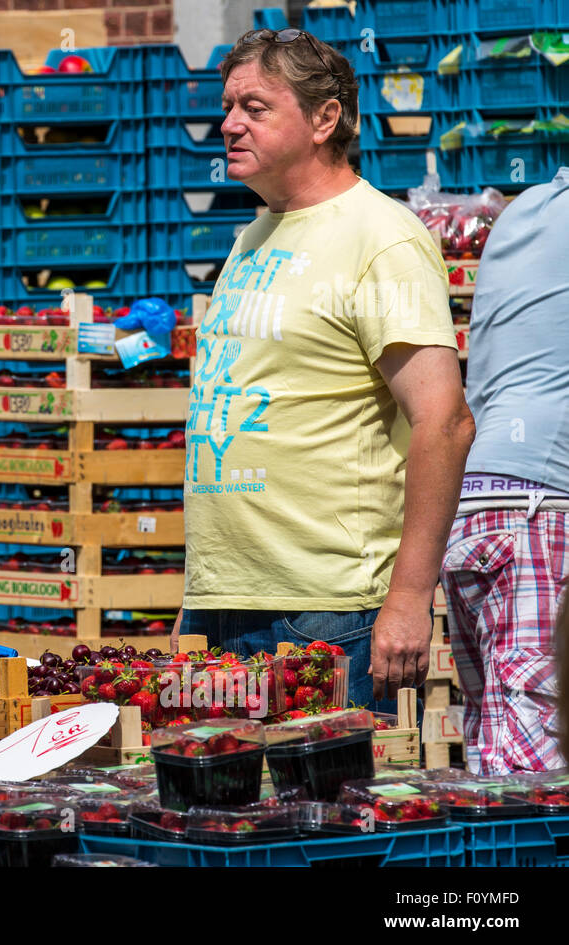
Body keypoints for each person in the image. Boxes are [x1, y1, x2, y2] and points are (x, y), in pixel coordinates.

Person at [172, 30, 475, 710]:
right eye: (227, 106)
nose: (228, 124)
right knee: (229, 815)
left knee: (323, 816)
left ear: (324, 118)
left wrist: (408, 596)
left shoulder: (382, 238)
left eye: (254, 106)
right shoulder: (252, 237)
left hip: (331, 612)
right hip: (227, 602)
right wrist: (195, 603)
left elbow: (445, 421)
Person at [440, 168, 569, 774]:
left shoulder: (526, 210)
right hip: (538, 516)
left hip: (476, 510)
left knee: (497, 745)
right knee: (531, 772)